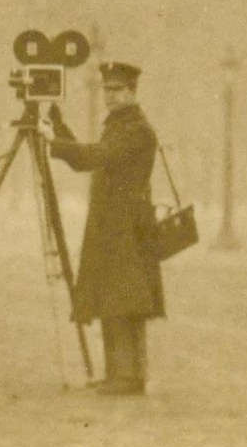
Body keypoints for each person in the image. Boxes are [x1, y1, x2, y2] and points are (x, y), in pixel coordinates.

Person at [45, 60, 165, 395]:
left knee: (124, 299)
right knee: (113, 297)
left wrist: (53, 143)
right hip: (116, 225)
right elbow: (88, 158)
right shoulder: (120, 125)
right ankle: (119, 373)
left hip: (127, 226)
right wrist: (58, 127)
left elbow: (94, 157)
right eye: (107, 91)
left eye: (117, 91)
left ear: (132, 92)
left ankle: (127, 377)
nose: (110, 97)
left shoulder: (135, 129)